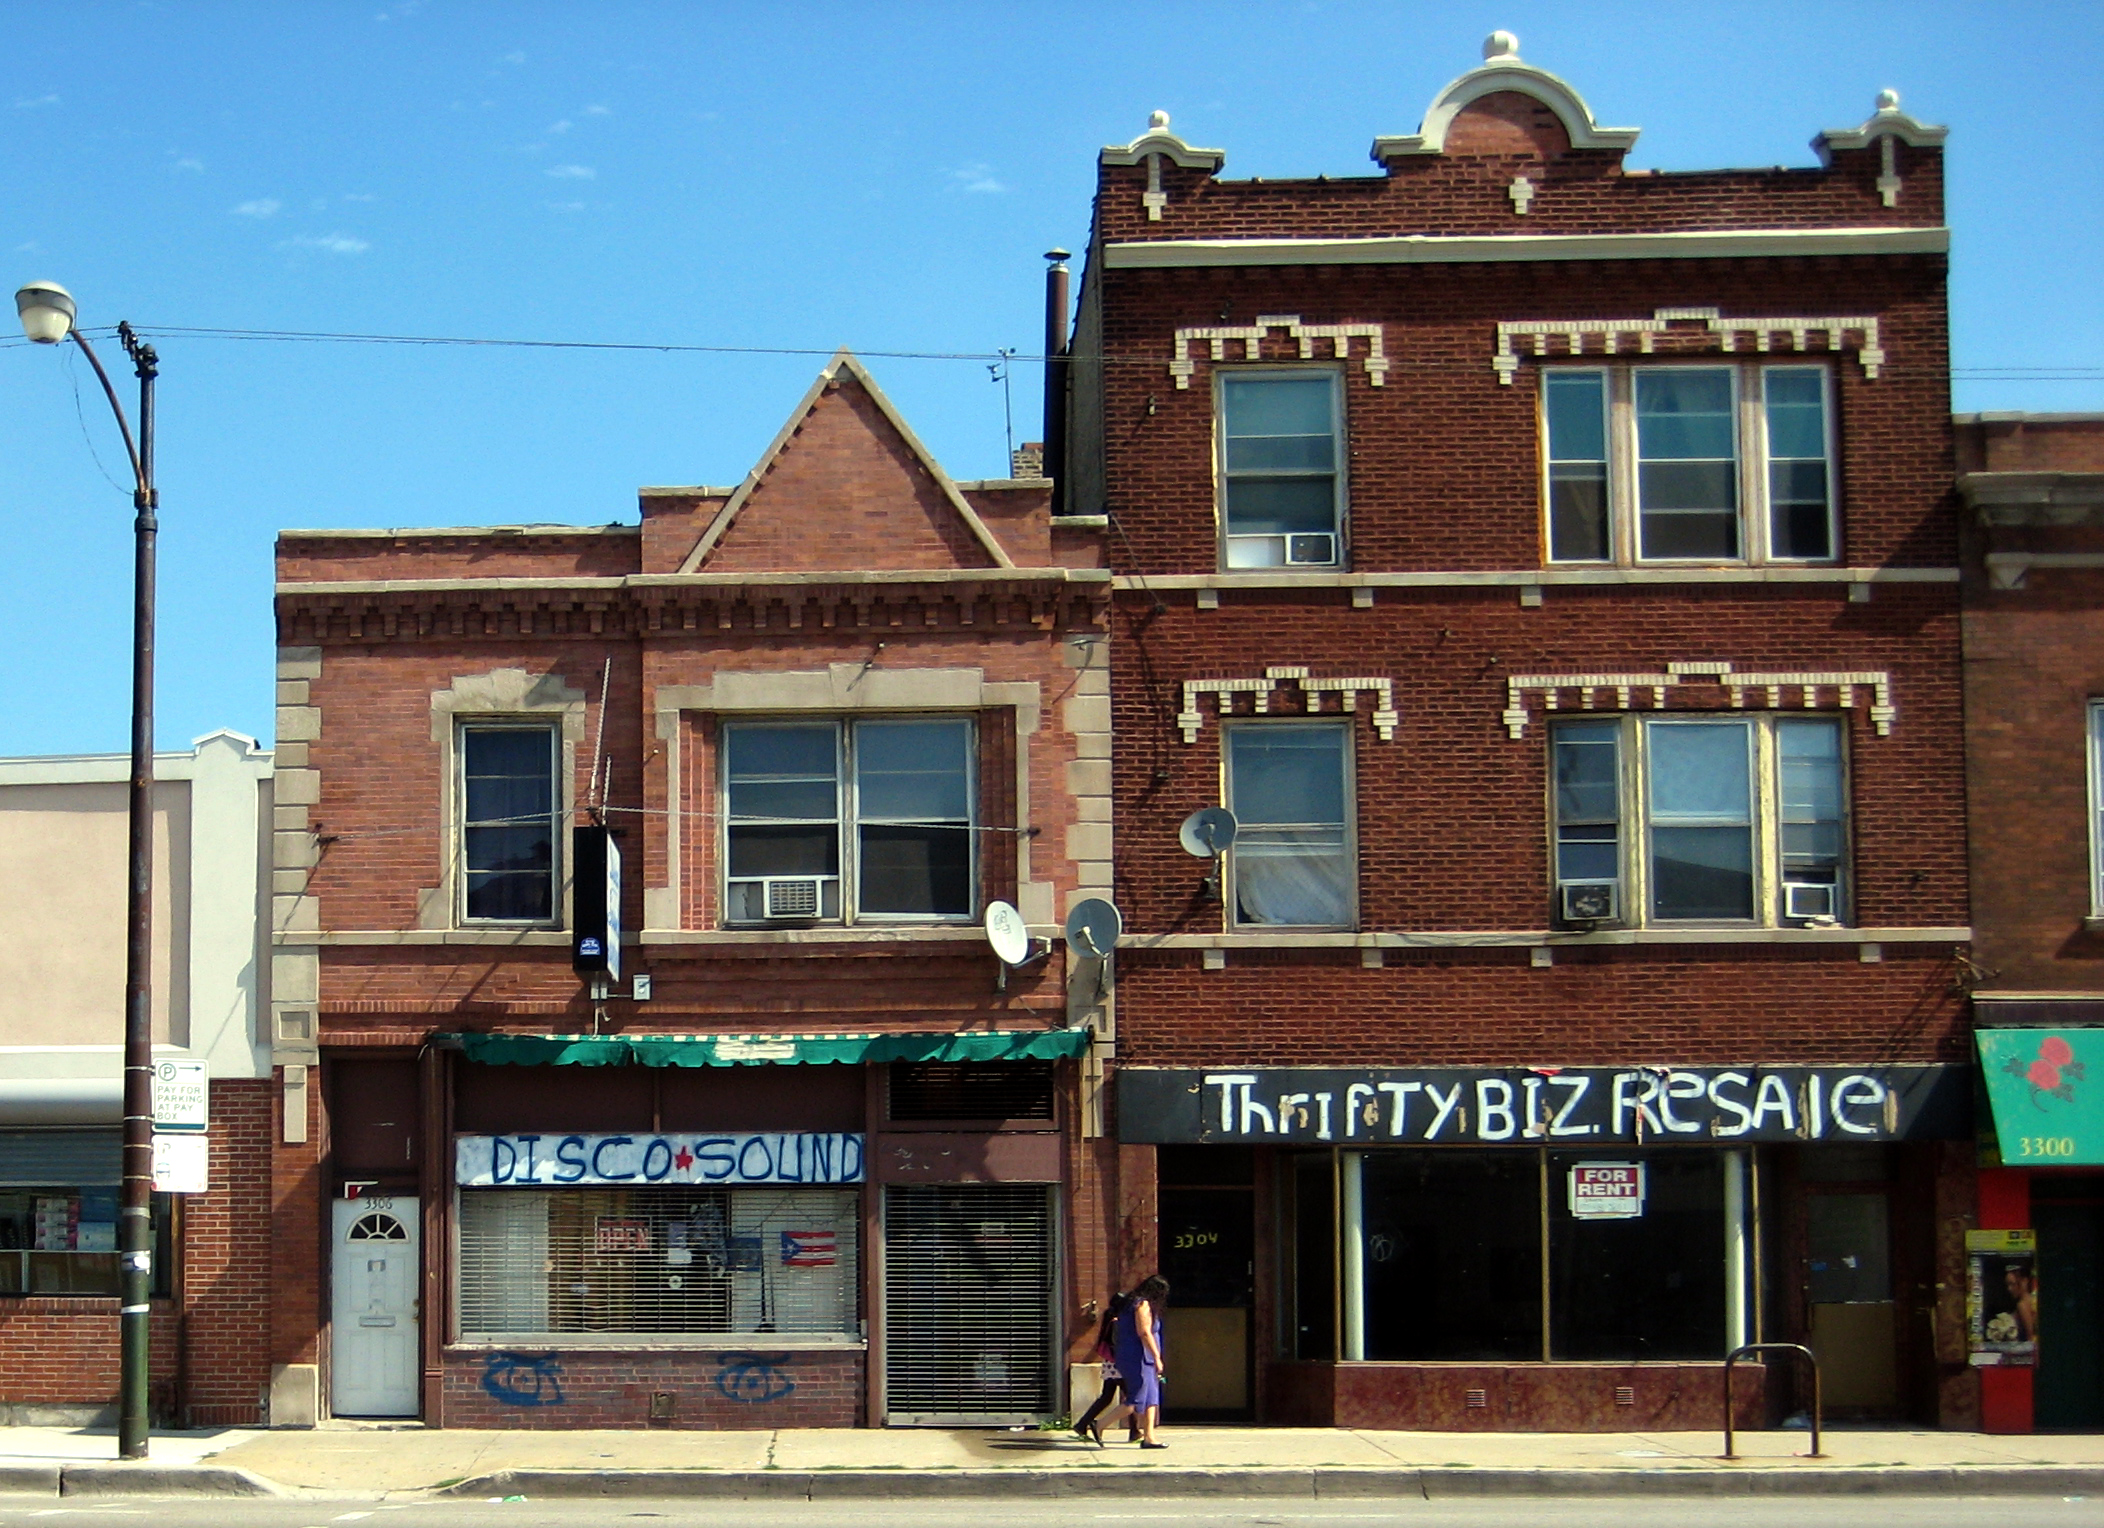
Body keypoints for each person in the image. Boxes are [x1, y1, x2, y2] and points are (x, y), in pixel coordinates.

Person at [1110, 1275, 1169, 1449]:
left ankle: (1149, 1437)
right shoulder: (1142, 1305)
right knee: (1137, 1399)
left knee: (1152, 1398)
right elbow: (1144, 1332)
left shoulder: (1133, 1303)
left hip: (1145, 1357)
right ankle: (1099, 1425)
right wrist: (1157, 1356)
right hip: (1140, 1357)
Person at [1072, 1290, 1139, 1445]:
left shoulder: (1109, 1317)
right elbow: (1116, 1344)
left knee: (1108, 1397)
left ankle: (1082, 1424)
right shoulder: (1117, 1321)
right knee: (1131, 1398)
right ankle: (1134, 1431)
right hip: (1119, 1364)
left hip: (1110, 1363)